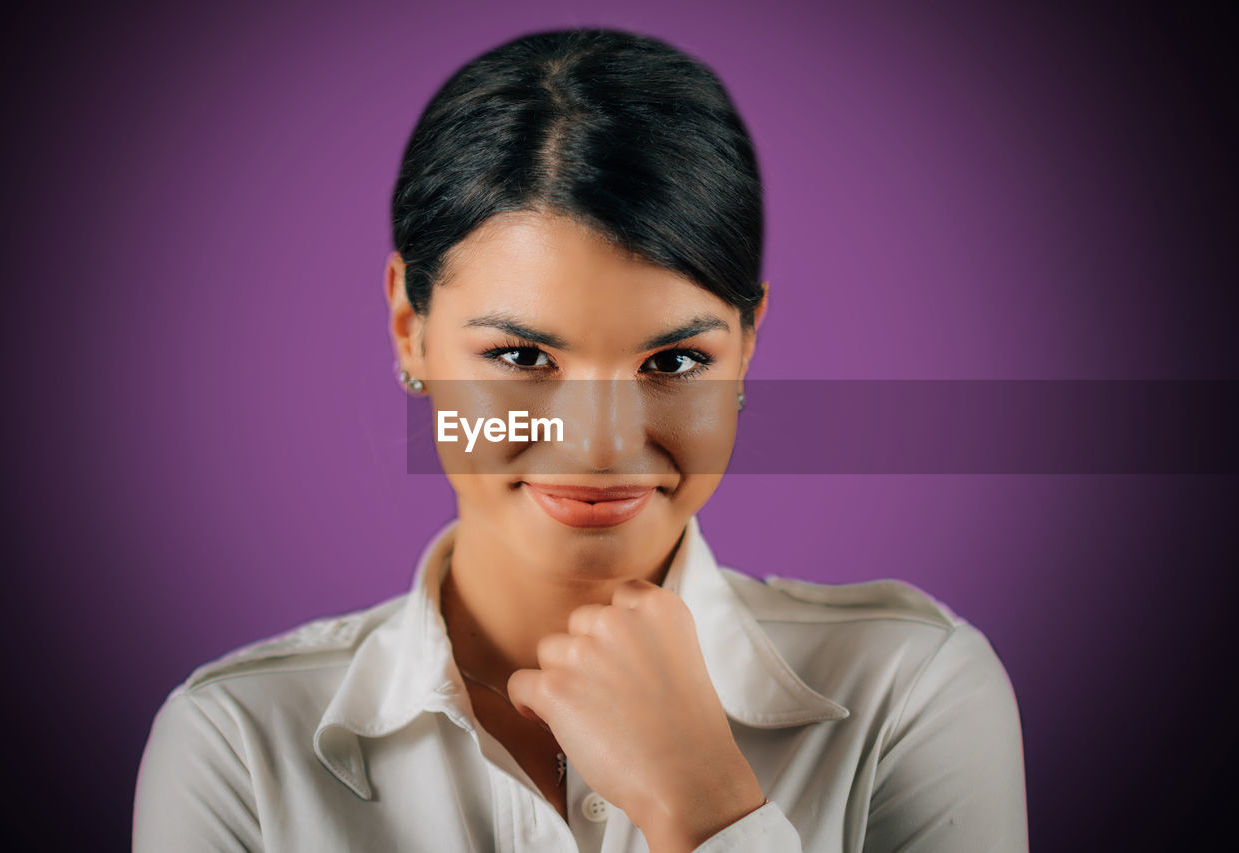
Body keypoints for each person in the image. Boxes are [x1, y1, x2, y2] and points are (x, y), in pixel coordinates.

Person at [133, 27, 1028, 852]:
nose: (599, 444)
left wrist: (709, 804)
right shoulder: (240, 745)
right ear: (410, 326)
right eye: (522, 354)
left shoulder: (908, 690)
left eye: (674, 362)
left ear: (748, 346)